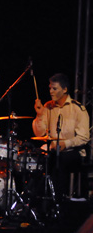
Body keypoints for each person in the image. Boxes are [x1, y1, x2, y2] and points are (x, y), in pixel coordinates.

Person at [32, 72, 90, 202]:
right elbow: (39, 133)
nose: (51, 91)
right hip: (53, 150)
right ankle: (36, 200)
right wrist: (40, 115)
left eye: (55, 88)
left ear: (64, 90)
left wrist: (65, 144)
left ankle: (58, 201)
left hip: (73, 152)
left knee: (60, 161)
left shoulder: (78, 109)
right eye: (50, 88)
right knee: (35, 160)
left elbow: (84, 137)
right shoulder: (48, 107)